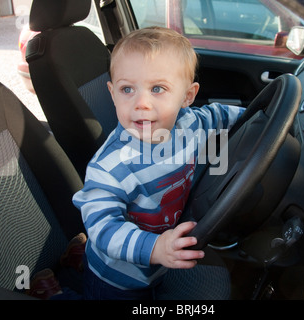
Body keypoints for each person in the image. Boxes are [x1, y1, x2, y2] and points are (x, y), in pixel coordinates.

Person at [72, 26, 245, 300]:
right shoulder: (109, 167)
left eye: (157, 89)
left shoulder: (191, 124)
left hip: (160, 260)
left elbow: (221, 115)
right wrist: (155, 248)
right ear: (112, 93)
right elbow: (103, 228)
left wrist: (263, 113)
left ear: (187, 96)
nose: (141, 102)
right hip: (118, 279)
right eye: (127, 89)